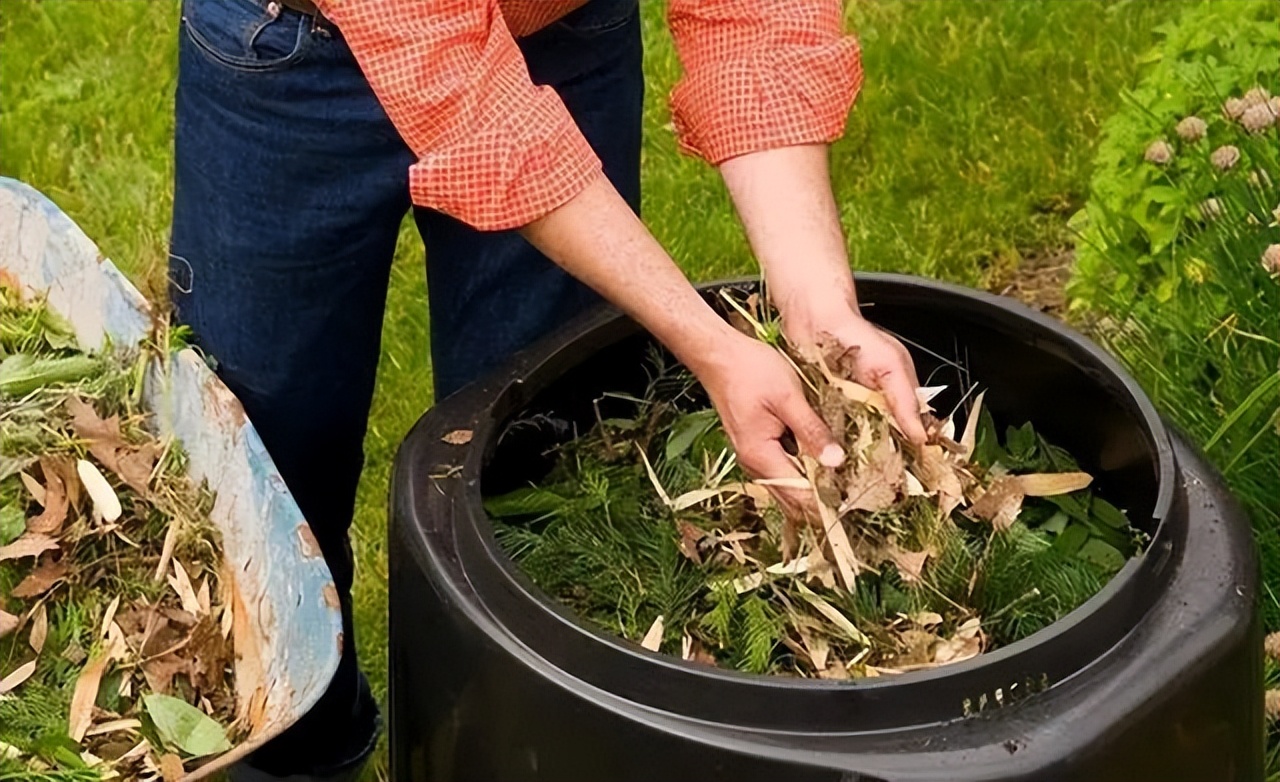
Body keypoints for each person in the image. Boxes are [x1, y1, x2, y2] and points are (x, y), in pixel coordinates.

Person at [169, 0, 926, 778]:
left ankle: (504, 749)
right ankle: (294, 755)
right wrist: (709, 344)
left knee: (540, 465)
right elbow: (461, 91)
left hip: (558, 34)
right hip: (291, 59)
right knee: (267, 473)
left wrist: (820, 307)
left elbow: (754, 13)